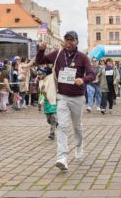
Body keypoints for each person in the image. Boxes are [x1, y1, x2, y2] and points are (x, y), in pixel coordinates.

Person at [36, 31, 95, 171]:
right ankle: (62, 157)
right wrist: (41, 50)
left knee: (77, 127)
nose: (68, 42)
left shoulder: (83, 57)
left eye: (71, 40)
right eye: (66, 40)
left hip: (78, 97)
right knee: (62, 126)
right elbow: (40, 61)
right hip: (62, 96)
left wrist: (83, 80)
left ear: (77, 42)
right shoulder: (57, 54)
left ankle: (79, 146)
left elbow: (92, 74)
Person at [38, 67, 58, 140]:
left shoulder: (50, 80)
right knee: (48, 120)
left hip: (52, 102)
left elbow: (55, 80)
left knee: (53, 118)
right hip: (46, 103)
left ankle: (52, 133)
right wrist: (40, 102)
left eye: (40, 74)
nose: (39, 76)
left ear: (44, 74)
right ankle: (55, 123)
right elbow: (41, 93)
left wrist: (54, 72)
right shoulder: (40, 82)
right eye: (38, 74)